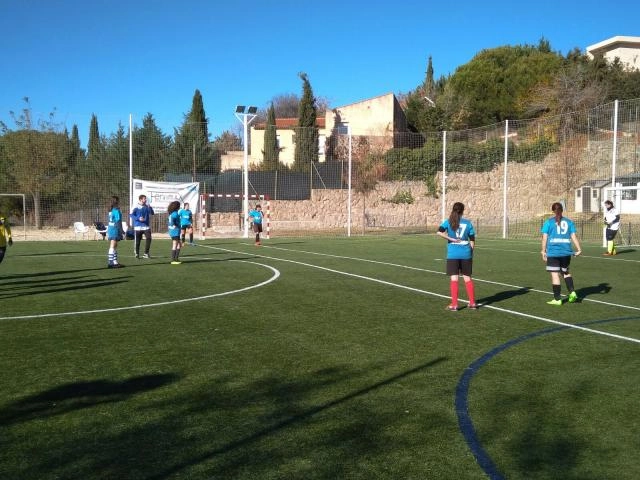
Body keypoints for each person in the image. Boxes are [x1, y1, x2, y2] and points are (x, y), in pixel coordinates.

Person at [436, 202, 478, 311]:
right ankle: (472, 303)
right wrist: (470, 252)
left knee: (454, 278)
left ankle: (454, 304)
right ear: (463, 211)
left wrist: (452, 239)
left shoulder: (449, 222)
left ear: (453, 210)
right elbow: (472, 239)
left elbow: (439, 232)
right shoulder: (468, 223)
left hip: (453, 254)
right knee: (467, 278)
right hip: (466, 253)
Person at [540, 202, 582, 305]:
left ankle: (557, 299)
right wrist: (579, 249)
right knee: (566, 273)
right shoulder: (569, 222)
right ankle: (572, 292)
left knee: (555, 274)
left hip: (553, 252)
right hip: (566, 252)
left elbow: (544, 238)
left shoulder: (548, 222)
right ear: (562, 210)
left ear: (553, 211)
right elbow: (573, 236)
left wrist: (543, 251)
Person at [130, 194, 154, 258]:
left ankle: (146, 253)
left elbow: (152, 213)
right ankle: (137, 253)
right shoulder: (135, 206)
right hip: (138, 227)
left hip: (146, 226)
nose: (145, 200)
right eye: (144, 199)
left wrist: (150, 207)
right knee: (138, 241)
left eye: (145, 199)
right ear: (140, 199)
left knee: (149, 238)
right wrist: (138, 218)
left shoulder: (147, 206)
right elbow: (131, 215)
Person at [106, 196, 125, 268]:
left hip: (111, 228)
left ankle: (115, 262)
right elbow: (118, 221)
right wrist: (122, 230)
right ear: (116, 201)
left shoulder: (111, 210)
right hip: (115, 229)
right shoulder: (116, 210)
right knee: (113, 245)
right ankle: (110, 263)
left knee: (115, 245)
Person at [167, 200, 182, 265]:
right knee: (175, 244)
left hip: (175, 231)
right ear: (177, 206)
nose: (180, 207)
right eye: (179, 206)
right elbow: (172, 221)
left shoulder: (173, 213)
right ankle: (173, 260)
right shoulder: (175, 214)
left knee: (179, 245)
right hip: (174, 231)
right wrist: (174, 225)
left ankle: (176, 258)